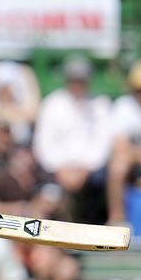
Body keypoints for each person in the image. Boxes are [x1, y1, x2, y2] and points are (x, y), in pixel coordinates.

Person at [33, 55, 112, 224]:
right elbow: (44, 143)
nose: (77, 84)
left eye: (81, 79)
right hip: (56, 170)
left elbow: (103, 142)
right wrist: (60, 168)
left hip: (91, 170)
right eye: (74, 79)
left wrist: (86, 168)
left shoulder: (100, 104)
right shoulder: (52, 103)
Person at [107, 59, 141, 232]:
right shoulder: (124, 107)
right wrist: (140, 155)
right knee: (118, 166)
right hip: (133, 161)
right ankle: (117, 218)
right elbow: (119, 145)